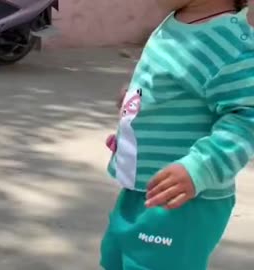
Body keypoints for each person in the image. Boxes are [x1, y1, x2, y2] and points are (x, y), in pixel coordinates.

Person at [101, 0, 252, 269]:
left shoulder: (230, 46)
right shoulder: (178, 20)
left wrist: (199, 168)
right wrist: (137, 103)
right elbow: (171, 78)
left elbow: (246, 120)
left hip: (184, 199)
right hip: (143, 186)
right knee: (116, 258)